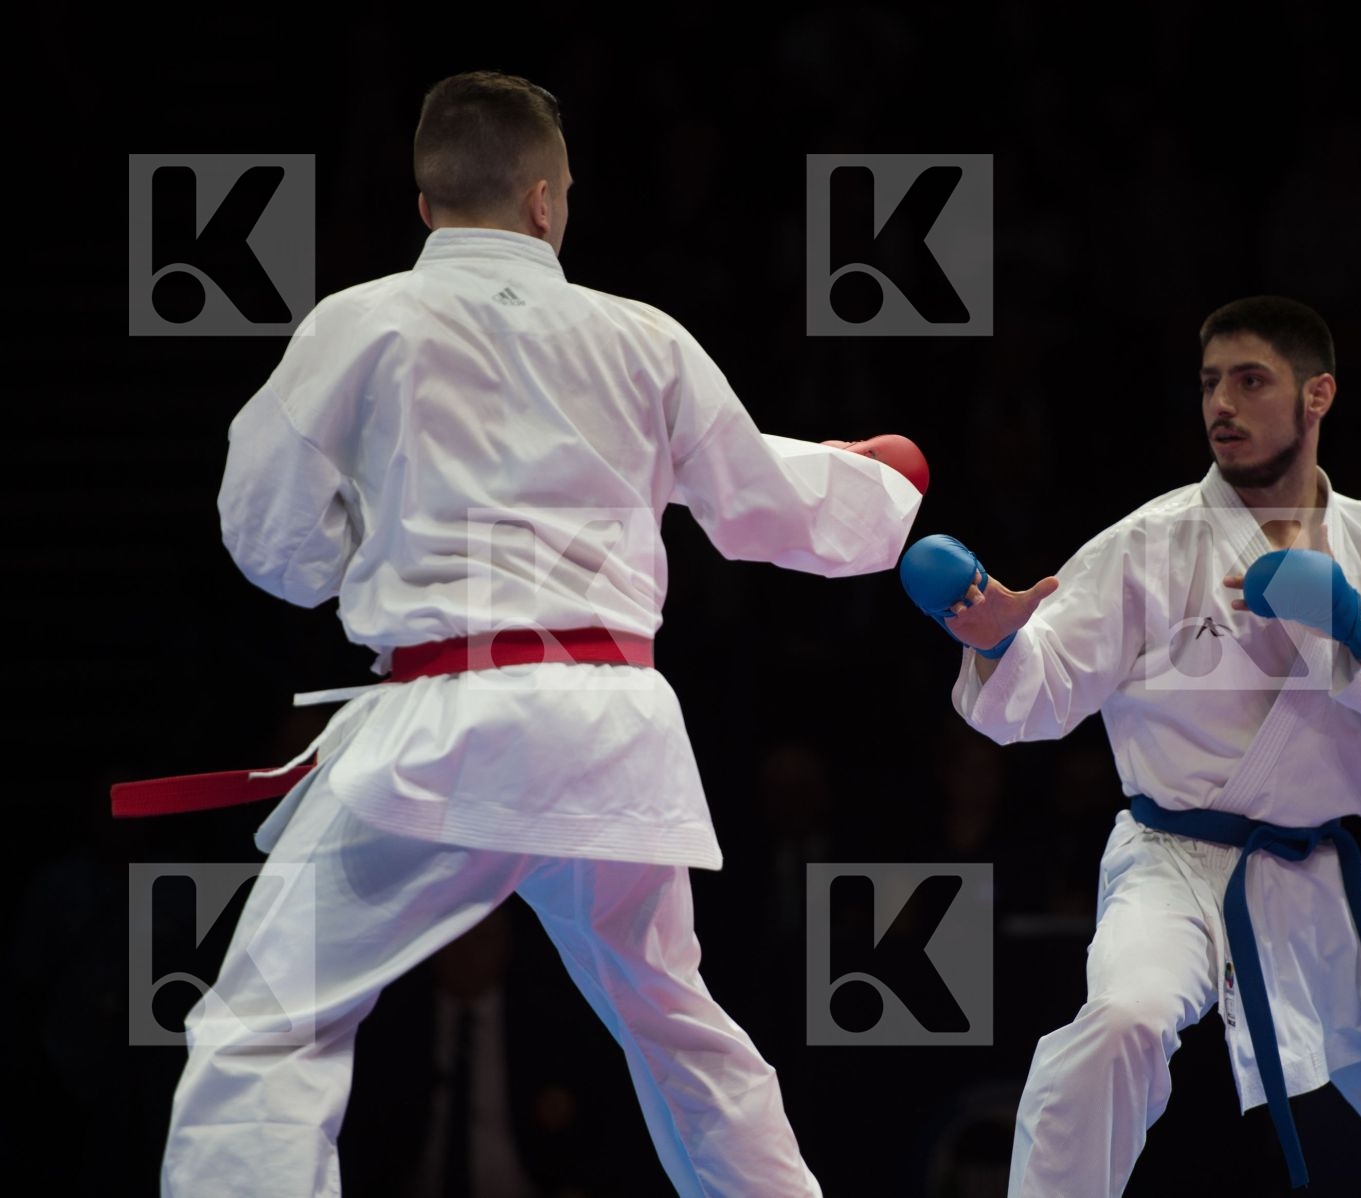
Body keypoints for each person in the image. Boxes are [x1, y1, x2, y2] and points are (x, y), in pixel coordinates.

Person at [158, 70, 925, 1198]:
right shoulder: (640, 337)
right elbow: (764, 502)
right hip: (611, 730)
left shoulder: (360, 322)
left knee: (268, 1028)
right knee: (675, 1023)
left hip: (442, 726)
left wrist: (351, 562)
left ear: (426, 207)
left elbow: (260, 529)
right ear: (546, 200)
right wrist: (882, 490)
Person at [900, 296, 1361, 1196]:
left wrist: (1359, 624)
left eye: (1249, 380)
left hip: (1323, 879)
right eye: (1208, 384)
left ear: (1318, 397)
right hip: (1175, 867)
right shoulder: (1148, 545)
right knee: (1123, 1020)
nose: (1220, 405)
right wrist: (997, 638)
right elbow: (1033, 697)